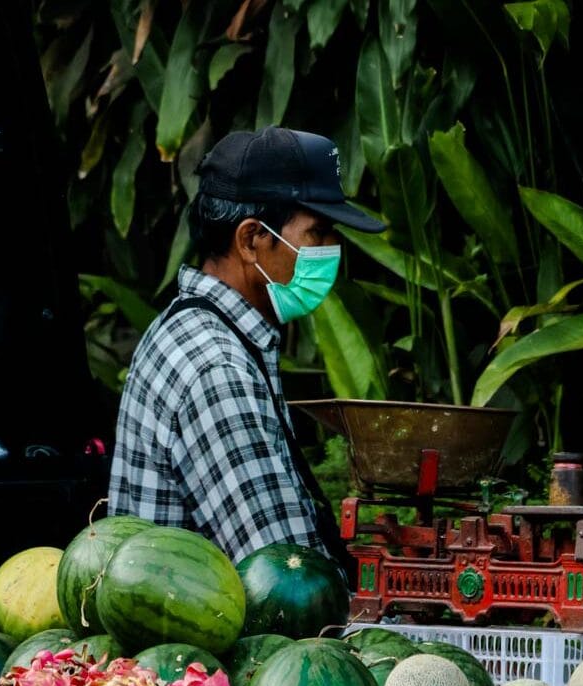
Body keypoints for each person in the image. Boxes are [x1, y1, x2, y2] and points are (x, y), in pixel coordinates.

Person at [107, 125, 385, 574]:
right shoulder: (216, 368)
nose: (332, 250)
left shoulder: (204, 331)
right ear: (251, 239)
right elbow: (285, 578)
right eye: (318, 233)